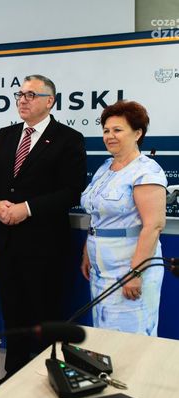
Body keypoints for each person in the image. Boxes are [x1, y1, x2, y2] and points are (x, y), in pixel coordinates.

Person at [0, 74, 87, 382]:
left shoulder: (68, 138)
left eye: (30, 95)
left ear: (49, 101)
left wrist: (26, 209)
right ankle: (12, 376)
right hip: (6, 242)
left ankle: (46, 379)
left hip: (44, 245)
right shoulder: (6, 135)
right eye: (20, 94)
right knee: (12, 315)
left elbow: (71, 191)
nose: (23, 100)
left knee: (45, 315)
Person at [81, 100, 167, 335]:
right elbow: (97, 216)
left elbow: (153, 225)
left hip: (129, 269)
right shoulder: (105, 168)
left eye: (117, 130)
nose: (110, 136)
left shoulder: (147, 171)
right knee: (104, 333)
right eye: (106, 130)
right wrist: (87, 252)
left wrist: (135, 273)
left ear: (137, 133)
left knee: (131, 339)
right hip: (100, 270)